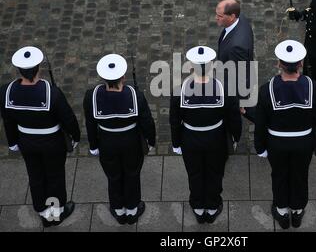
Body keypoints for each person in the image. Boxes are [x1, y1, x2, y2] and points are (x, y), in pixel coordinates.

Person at [254, 40, 316, 229]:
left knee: (279, 175)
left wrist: (260, 147)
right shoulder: (314, 86)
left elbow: (261, 123)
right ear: (301, 64)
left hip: (277, 143)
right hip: (304, 143)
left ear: (279, 64)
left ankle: (281, 212)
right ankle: (297, 212)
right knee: (300, 175)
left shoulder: (266, 89)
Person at [0, 46, 80, 227]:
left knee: (35, 176)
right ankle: (57, 211)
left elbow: (8, 120)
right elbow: (68, 119)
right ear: (39, 69)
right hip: (52, 143)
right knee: (55, 176)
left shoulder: (6, 91)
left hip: (26, 142)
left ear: (19, 70)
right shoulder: (52, 92)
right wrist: (75, 137)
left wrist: (13, 142)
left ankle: (43, 212)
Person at [170, 46, 242, 223]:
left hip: (190, 139)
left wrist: (176, 143)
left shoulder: (179, 91)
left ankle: (198, 207)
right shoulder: (225, 89)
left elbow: (174, 121)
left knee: (194, 174)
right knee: (215, 173)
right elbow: (234, 118)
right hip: (216, 139)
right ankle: (212, 206)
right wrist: (235, 137)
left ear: (192, 67)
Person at [83, 54, 156, 225]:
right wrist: (150, 141)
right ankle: (132, 209)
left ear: (103, 78)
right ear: (123, 76)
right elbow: (147, 122)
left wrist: (94, 145)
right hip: (131, 142)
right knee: (132, 174)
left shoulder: (91, 96)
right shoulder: (135, 95)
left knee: (113, 176)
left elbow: (90, 123)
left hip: (107, 142)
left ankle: (118, 209)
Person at [216, 0, 256, 123]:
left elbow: (241, 74)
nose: (216, 18)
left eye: (220, 16)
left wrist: (240, 100)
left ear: (232, 16)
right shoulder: (241, 18)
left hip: (233, 86)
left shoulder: (237, 46)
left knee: (235, 112)